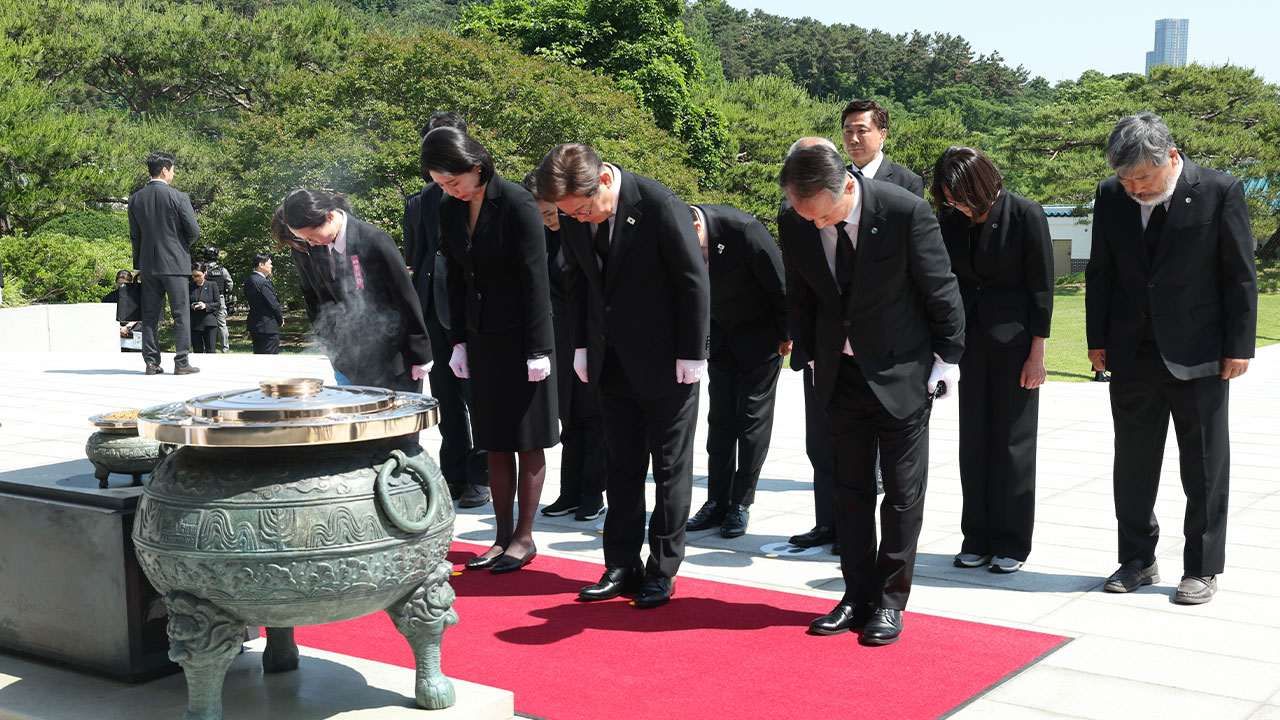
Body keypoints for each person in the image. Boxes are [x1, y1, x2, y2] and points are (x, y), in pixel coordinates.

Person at [780, 142, 964, 644]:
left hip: (902, 372)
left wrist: (948, 360)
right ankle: (855, 594)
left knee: (903, 496)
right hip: (838, 375)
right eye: (803, 215)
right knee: (851, 491)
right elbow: (798, 293)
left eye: (821, 215)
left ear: (844, 187)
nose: (815, 225)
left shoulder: (904, 210)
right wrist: (812, 356)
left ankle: (889, 601)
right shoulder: (797, 220)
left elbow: (940, 288)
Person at [1086, 112, 1257, 605]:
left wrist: (1239, 345)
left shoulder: (1220, 190)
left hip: (1200, 351)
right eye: (1125, 177)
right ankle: (1137, 558)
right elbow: (1101, 271)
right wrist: (1097, 339)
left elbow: (1240, 275)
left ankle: (1202, 568)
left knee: (1203, 465)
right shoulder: (1111, 194)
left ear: (1172, 157)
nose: (1134, 187)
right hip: (1131, 350)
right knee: (1133, 463)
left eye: (1143, 176)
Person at [534, 143, 709, 609]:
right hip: (609, 360)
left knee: (670, 470)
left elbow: (693, 280)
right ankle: (620, 564)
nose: (581, 219)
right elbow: (577, 282)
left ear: (606, 181)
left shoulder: (659, 205)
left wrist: (692, 354)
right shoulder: (574, 214)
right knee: (622, 466)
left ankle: (662, 569)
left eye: (586, 209)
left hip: (667, 362)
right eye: (571, 213)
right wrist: (581, 347)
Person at [422, 128, 558, 574]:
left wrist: (539, 348)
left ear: (476, 166)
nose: (448, 190)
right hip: (481, 337)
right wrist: (459, 338)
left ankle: (524, 537)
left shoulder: (517, 202)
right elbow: (457, 277)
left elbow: (536, 277)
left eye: (451, 181)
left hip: (523, 337)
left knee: (527, 438)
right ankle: (500, 537)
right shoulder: (449, 207)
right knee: (494, 439)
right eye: (441, 184)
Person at [933, 147, 1053, 574]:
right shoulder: (951, 222)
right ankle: (977, 536)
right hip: (970, 345)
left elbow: (1042, 289)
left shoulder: (1025, 214)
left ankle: (1012, 542)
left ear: (982, 185)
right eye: (950, 198)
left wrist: (1037, 353)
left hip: (1018, 345)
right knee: (975, 443)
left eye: (962, 196)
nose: (957, 205)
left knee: (1013, 445)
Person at [403, 111, 491, 509]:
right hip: (431, 307)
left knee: (478, 393)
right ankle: (453, 471)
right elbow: (416, 255)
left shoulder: (481, 192)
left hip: (471, 306)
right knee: (446, 394)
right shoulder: (419, 201)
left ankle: (483, 473)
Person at [685, 203, 789, 539]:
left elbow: (780, 284)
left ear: (698, 227)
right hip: (718, 338)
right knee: (720, 420)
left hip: (760, 337)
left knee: (752, 420)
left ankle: (741, 502)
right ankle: (716, 500)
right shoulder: (677, 233)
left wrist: (787, 336)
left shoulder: (742, 229)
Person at [271, 188, 431, 392]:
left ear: (329, 216)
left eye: (312, 236)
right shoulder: (318, 246)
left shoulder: (374, 239)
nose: (310, 243)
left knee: (397, 419)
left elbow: (405, 296)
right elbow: (322, 297)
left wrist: (421, 353)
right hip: (355, 357)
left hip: (395, 356)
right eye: (305, 240)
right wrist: (326, 338)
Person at [524, 172, 607, 522]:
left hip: (589, 333)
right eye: (541, 216)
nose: (548, 221)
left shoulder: (584, 231)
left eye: (551, 213)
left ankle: (593, 492)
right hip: (558, 336)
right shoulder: (541, 236)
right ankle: (569, 490)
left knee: (594, 416)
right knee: (568, 416)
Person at [128, 151, 201, 375]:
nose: (174, 174)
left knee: (149, 315)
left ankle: (151, 363)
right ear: (164, 170)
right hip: (176, 264)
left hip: (148, 265)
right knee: (181, 314)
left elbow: (135, 236)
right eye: (173, 170)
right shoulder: (179, 197)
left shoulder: (135, 199)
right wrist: (180, 247)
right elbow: (194, 231)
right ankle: (181, 363)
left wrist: (137, 264)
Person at [840, 99, 924, 196]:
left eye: (862, 131)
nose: (854, 139)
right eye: (848, 131)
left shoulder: (907, 182)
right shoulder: (834, 180)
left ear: (882, 135)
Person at [244, 253, 283, 354]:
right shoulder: (263, 283)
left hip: (255, 325)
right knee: (270, 357)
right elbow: (274, 305)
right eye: (269, 264)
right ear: (261, 265)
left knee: (259, 357)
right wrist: (280, 319)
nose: (271, 266)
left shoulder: (249, 280)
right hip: (267, 326)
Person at [202, 247, 234, 352]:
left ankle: (205, 346)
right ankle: (225, 348)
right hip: (220, 299)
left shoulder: (201, 269)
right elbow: (230, 285)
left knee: (203, 323)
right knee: (222, 324)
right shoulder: (222, 270)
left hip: (204, 299)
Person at [102, 270, 142, 352]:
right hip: (116, 330)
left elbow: (142, 313)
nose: (122, 286)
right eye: (120, 284)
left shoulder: (137, 295)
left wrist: (128, 327)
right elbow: (106, 313)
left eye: (125, 284)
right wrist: (118, 328)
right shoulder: (110, 297)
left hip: (135, 328)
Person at [188, 265, 222, 354]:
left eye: (198, 275)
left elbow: (218, 303)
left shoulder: (212, 285)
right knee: (197, 350)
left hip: (209, 322)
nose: (196, 278)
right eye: (194, 276)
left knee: (210, 350)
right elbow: (183, 303)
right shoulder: (190, 286)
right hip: (195, 322)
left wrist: (206, 306)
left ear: (204, 273)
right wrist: (191, 306)